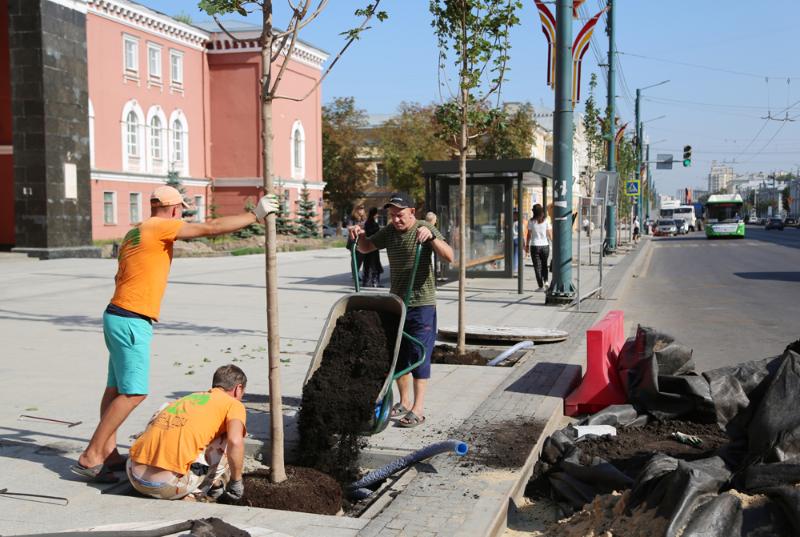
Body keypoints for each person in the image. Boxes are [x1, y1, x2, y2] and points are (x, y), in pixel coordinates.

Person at [71, 186, 277, 482]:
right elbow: (210, 227)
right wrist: (254, 216)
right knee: (134, 392)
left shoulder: (136, 231)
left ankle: (109, 451)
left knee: (115, 390)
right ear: (175, 210)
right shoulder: (160, 226)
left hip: (116, 314)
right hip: (132, 319)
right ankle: (91, 455)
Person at [349, 193, 454, 428]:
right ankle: (404, 401)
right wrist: (359, 235)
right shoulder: (389, 232)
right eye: (393, 215)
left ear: (412, 213)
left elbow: (450, 256)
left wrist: (431, 239)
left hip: (421, 303)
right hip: (396, 302)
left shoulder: (424, 228)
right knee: (397, 353)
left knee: (419, 354)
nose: (396, 220)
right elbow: (365, 248)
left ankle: (418, 408)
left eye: (400, 215)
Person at [125, 365, 248, 501]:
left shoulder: (188, 398)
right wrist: (236, 482)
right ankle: (196, 494)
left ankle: (215, 485)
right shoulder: (233, 404)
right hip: (166, 487)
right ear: (238, 389)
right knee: (229, 438)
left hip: (133, 476)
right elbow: (235, 441)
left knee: (166, 411)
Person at [526, 204, 552, 292]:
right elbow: (549, 233)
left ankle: (540, 286)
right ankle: (546, 282)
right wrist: (553, 242)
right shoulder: (546, 220)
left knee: (537, 267)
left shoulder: (531, 221)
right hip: (545, 246)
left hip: (534, 246)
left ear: (534, 212)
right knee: (545, 265)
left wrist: (526, 245)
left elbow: (529, 234)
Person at [362, 207, 384, 287]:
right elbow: (375, 234)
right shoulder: (373, 224)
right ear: (374, 214)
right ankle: (374, 282)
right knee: (375, 264)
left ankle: (365, 281)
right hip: (373, 246)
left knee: (367, 264)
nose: (377, 215)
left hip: (368, 246)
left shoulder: (367, 223)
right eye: (376, 213)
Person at [347, 204, 367, 282]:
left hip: (362, 240)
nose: (361, 210)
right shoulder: (352, 218)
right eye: (359, 209)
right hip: (353, 241)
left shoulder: (364, 218)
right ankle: (355, 275)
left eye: (362, 209)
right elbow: (349, 227)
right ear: (356, 210)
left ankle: (357, 272)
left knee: (361, 258)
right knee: (354, 258)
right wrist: (356, 226)